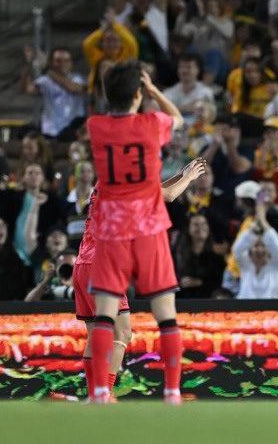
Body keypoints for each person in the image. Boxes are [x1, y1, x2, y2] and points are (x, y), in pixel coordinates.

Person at [84, 61, 186, 405]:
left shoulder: (96, 127)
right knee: (166, 316)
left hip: (112, 230)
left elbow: (112, 107)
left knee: (104, 316)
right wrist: (156, 91)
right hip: (149, 226)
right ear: (139, 94)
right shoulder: (151, 124)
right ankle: (171, 391)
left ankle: (99, 391)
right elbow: (179, 119)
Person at [75, 159, 205, 399]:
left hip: (83, 263)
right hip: (103, 264)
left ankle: (95, 395)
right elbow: (166, 196)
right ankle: (104, 394)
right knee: (122, 333)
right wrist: (188, 178)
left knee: (95, 336)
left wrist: (179, 175)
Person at [232, 199, 278, 299]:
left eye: (263, 246)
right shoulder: (246, 265)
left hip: (270, 312)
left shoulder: (276, 266)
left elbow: (277, 248)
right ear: (250, 250)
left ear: (269, 250)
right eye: (256, 246)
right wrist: (253, 228)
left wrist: (263, 221)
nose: (260, 250)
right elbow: (237, 249)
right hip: (245, 312)